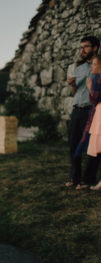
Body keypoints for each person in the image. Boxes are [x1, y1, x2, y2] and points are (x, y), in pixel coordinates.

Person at [65, 36, 100, 188]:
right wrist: (72, 84)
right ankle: (75, 178)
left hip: (92, 110)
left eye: (86, 47)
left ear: (95, 48)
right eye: (81, 47)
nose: (82, 50)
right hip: (77, 109)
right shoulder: (78, 68)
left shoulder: (99, 65)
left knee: (94, 146)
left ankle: (88, 179)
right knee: (73, 144)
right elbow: (75, 91)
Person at [75, 55, 101, 190]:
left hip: (99, 114)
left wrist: (90, 86)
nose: (92, 66)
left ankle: (88, 179)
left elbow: (95, 99)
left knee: (96, 145)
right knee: (96, 145)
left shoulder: (97, 78)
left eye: (95, 64)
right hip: (98, 114)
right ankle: (88, 179)